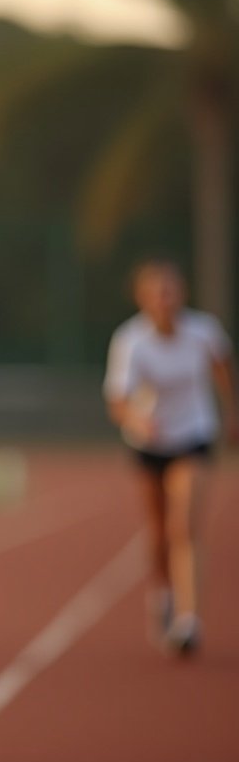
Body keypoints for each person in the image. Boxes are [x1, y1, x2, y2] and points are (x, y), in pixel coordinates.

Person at [103, 259, 237, 656]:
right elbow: (117, 401)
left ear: (182, 294)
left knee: (185, 525)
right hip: (149, 443)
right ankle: (161, 595)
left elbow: (222, 366)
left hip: (193, 436)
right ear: (142, 299)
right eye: (157, 293)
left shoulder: (204, 331)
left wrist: (230, 412)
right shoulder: (130, 340)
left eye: (171, 291)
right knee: (159, 532)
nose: (165, 299)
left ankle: (187, 619)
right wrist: (137, 421)